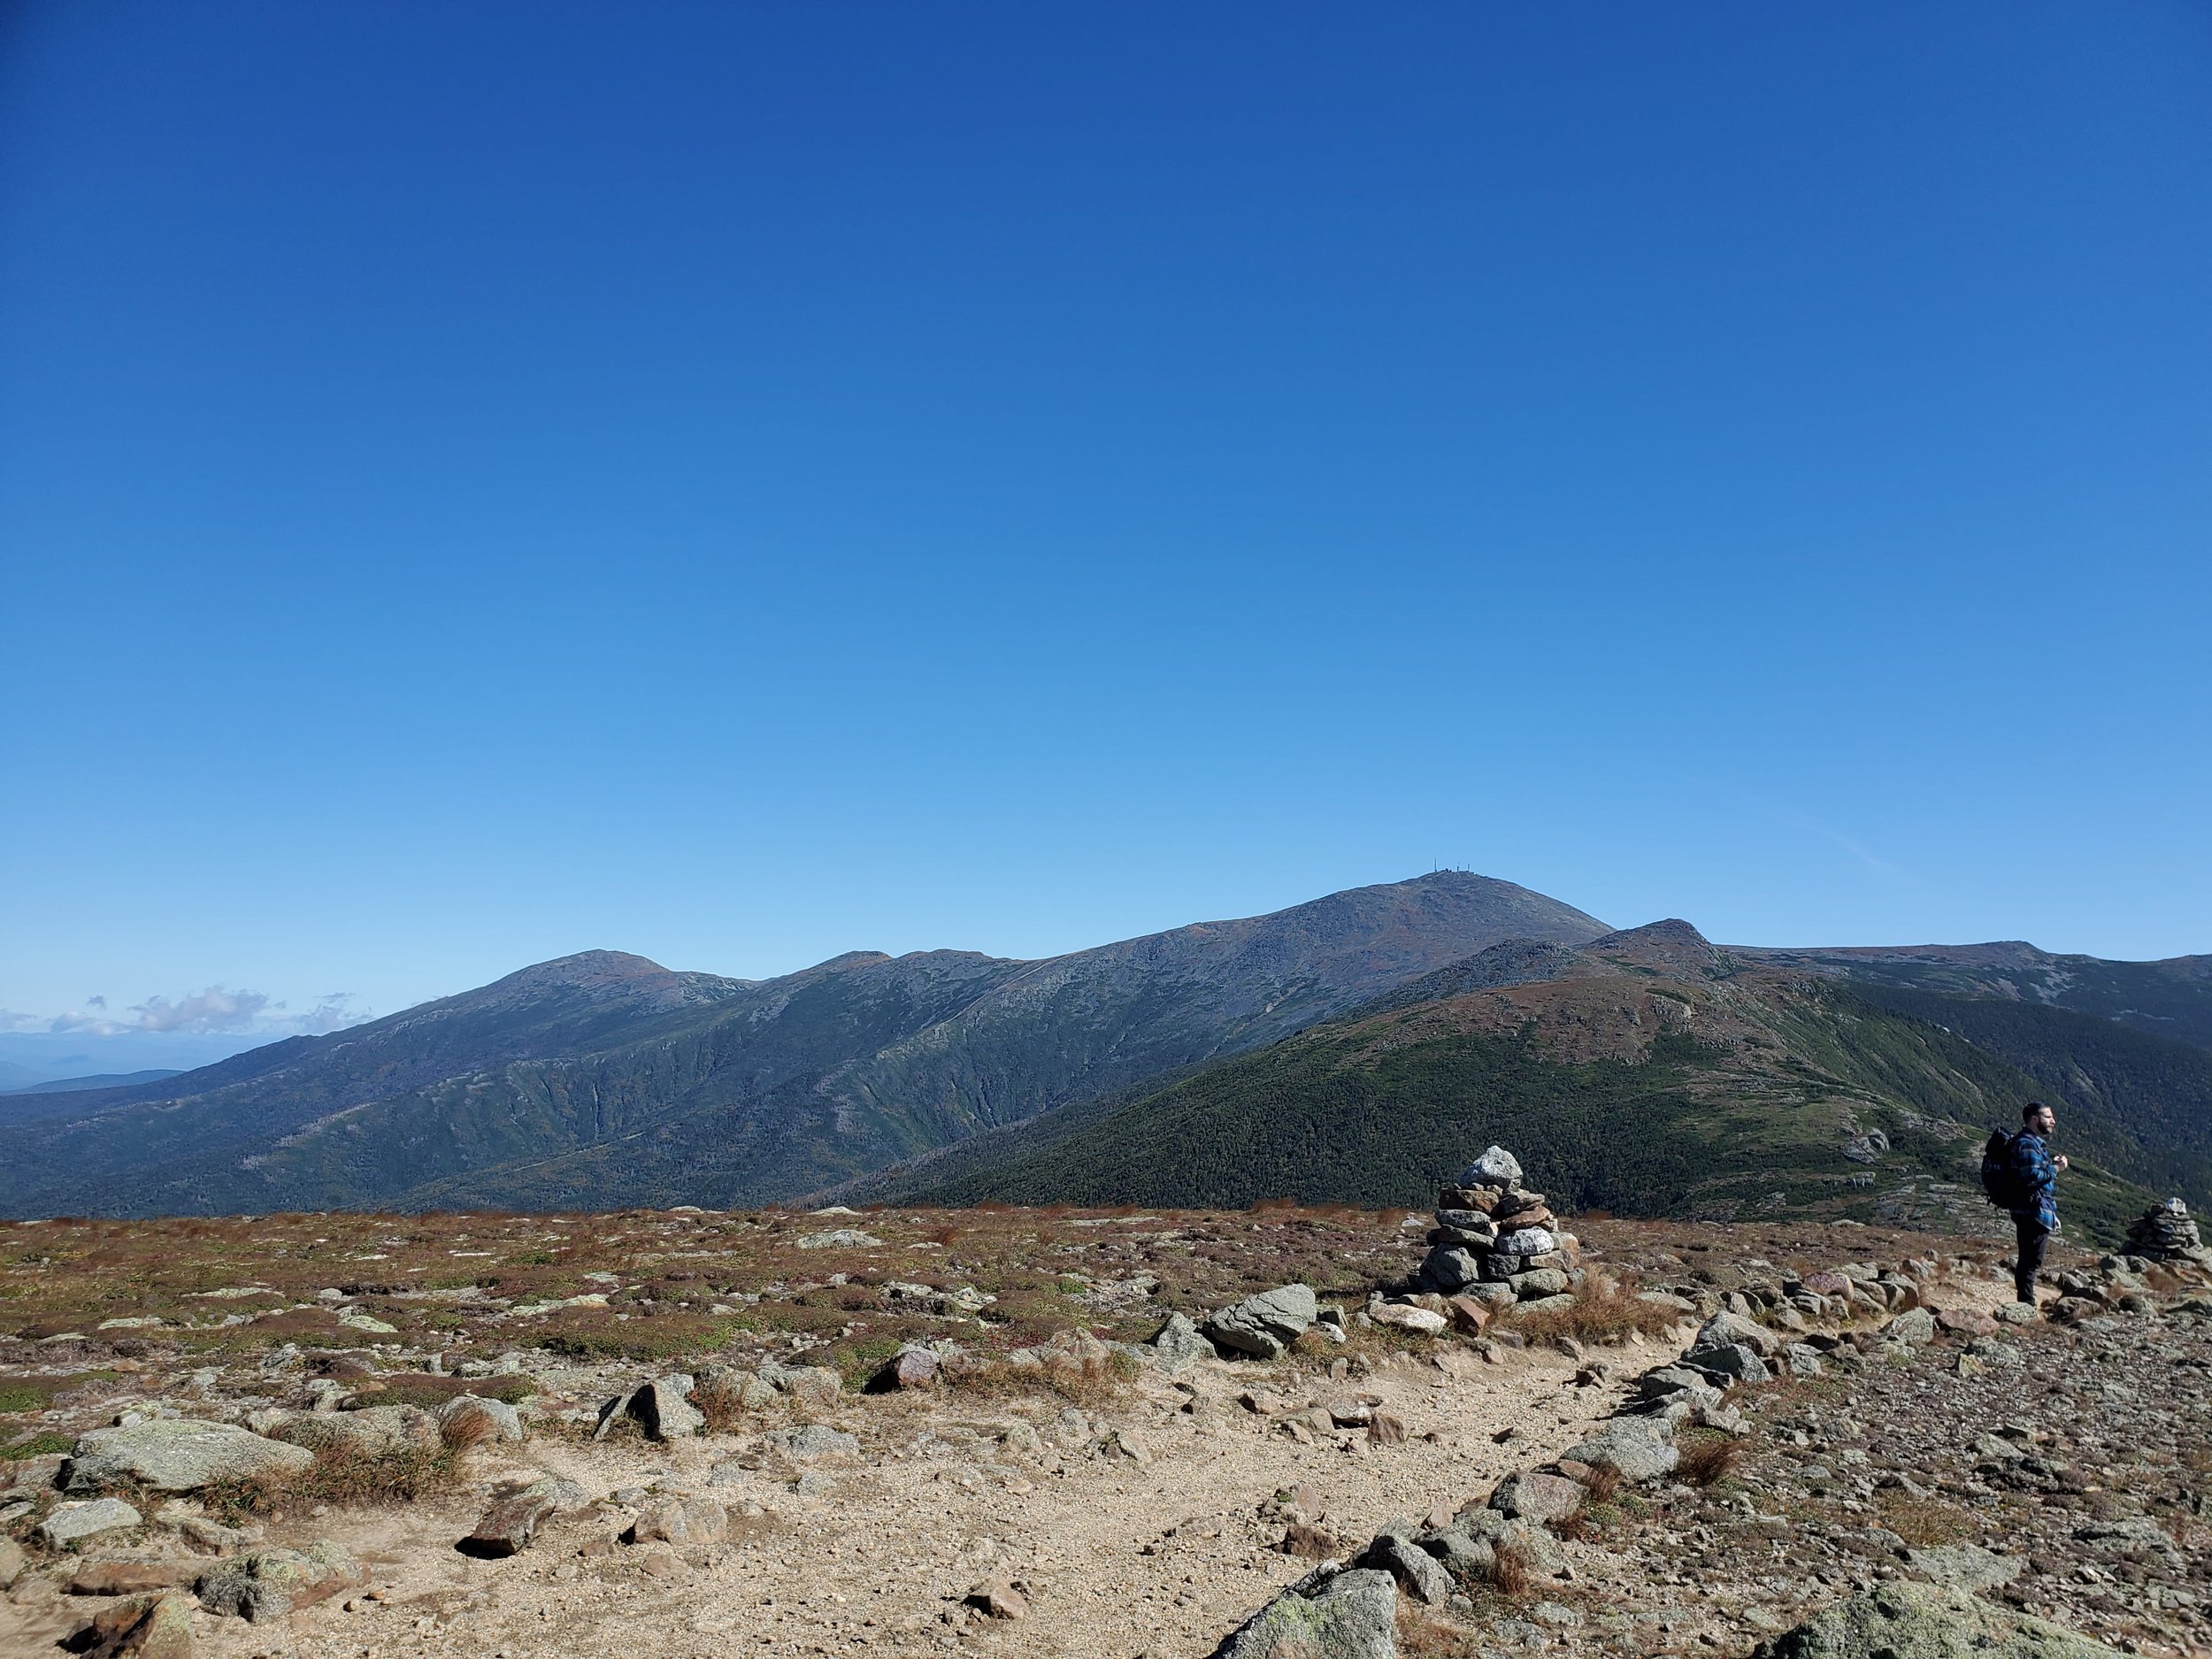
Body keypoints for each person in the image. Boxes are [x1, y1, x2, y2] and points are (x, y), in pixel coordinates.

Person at [2009, 1101, 2068, 1305]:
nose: (2053, 1121)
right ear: (2035, 1119)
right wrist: (2056, 1169)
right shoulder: (2027, 1143)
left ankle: (2026, 1302)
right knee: (2030, 1261)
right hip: (2031, 1212)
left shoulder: (2031, 1142)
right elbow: (2031, 1176)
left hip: (2035, 1210)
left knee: (2030, 1260)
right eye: (2048, 1117)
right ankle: (2026, 1305)